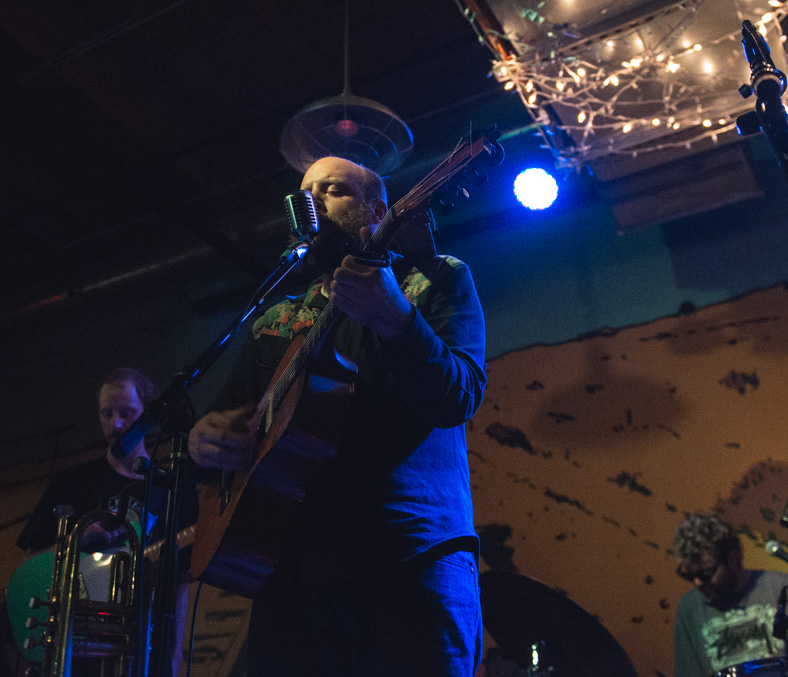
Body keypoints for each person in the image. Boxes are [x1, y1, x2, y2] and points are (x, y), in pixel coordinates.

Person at [188, 156, 487, 676]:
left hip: (407, 560)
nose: (314, 201)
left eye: (333, 190)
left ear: (377, 211)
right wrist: (203, 441)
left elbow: (456, 397)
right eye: (305, 193)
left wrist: (394, 317)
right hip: (292, 573)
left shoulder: (437, 279)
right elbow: (225, 425)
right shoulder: (277, 321)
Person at [15, 367, 199, 675]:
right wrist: (79, 539)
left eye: (126, 413)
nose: (115, 424)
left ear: (148, 415)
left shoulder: (175, 486)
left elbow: (178, 583)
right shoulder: (70, 483)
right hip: (77, 647)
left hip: (142, 648)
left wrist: (173, 657)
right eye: (106, 413)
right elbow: (31, 564)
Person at [672, 514, 788, 677]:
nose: (697, 583)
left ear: (732, 558)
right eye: (689, 575)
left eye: (706, 574)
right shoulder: (689, 608)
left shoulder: (784, 588)